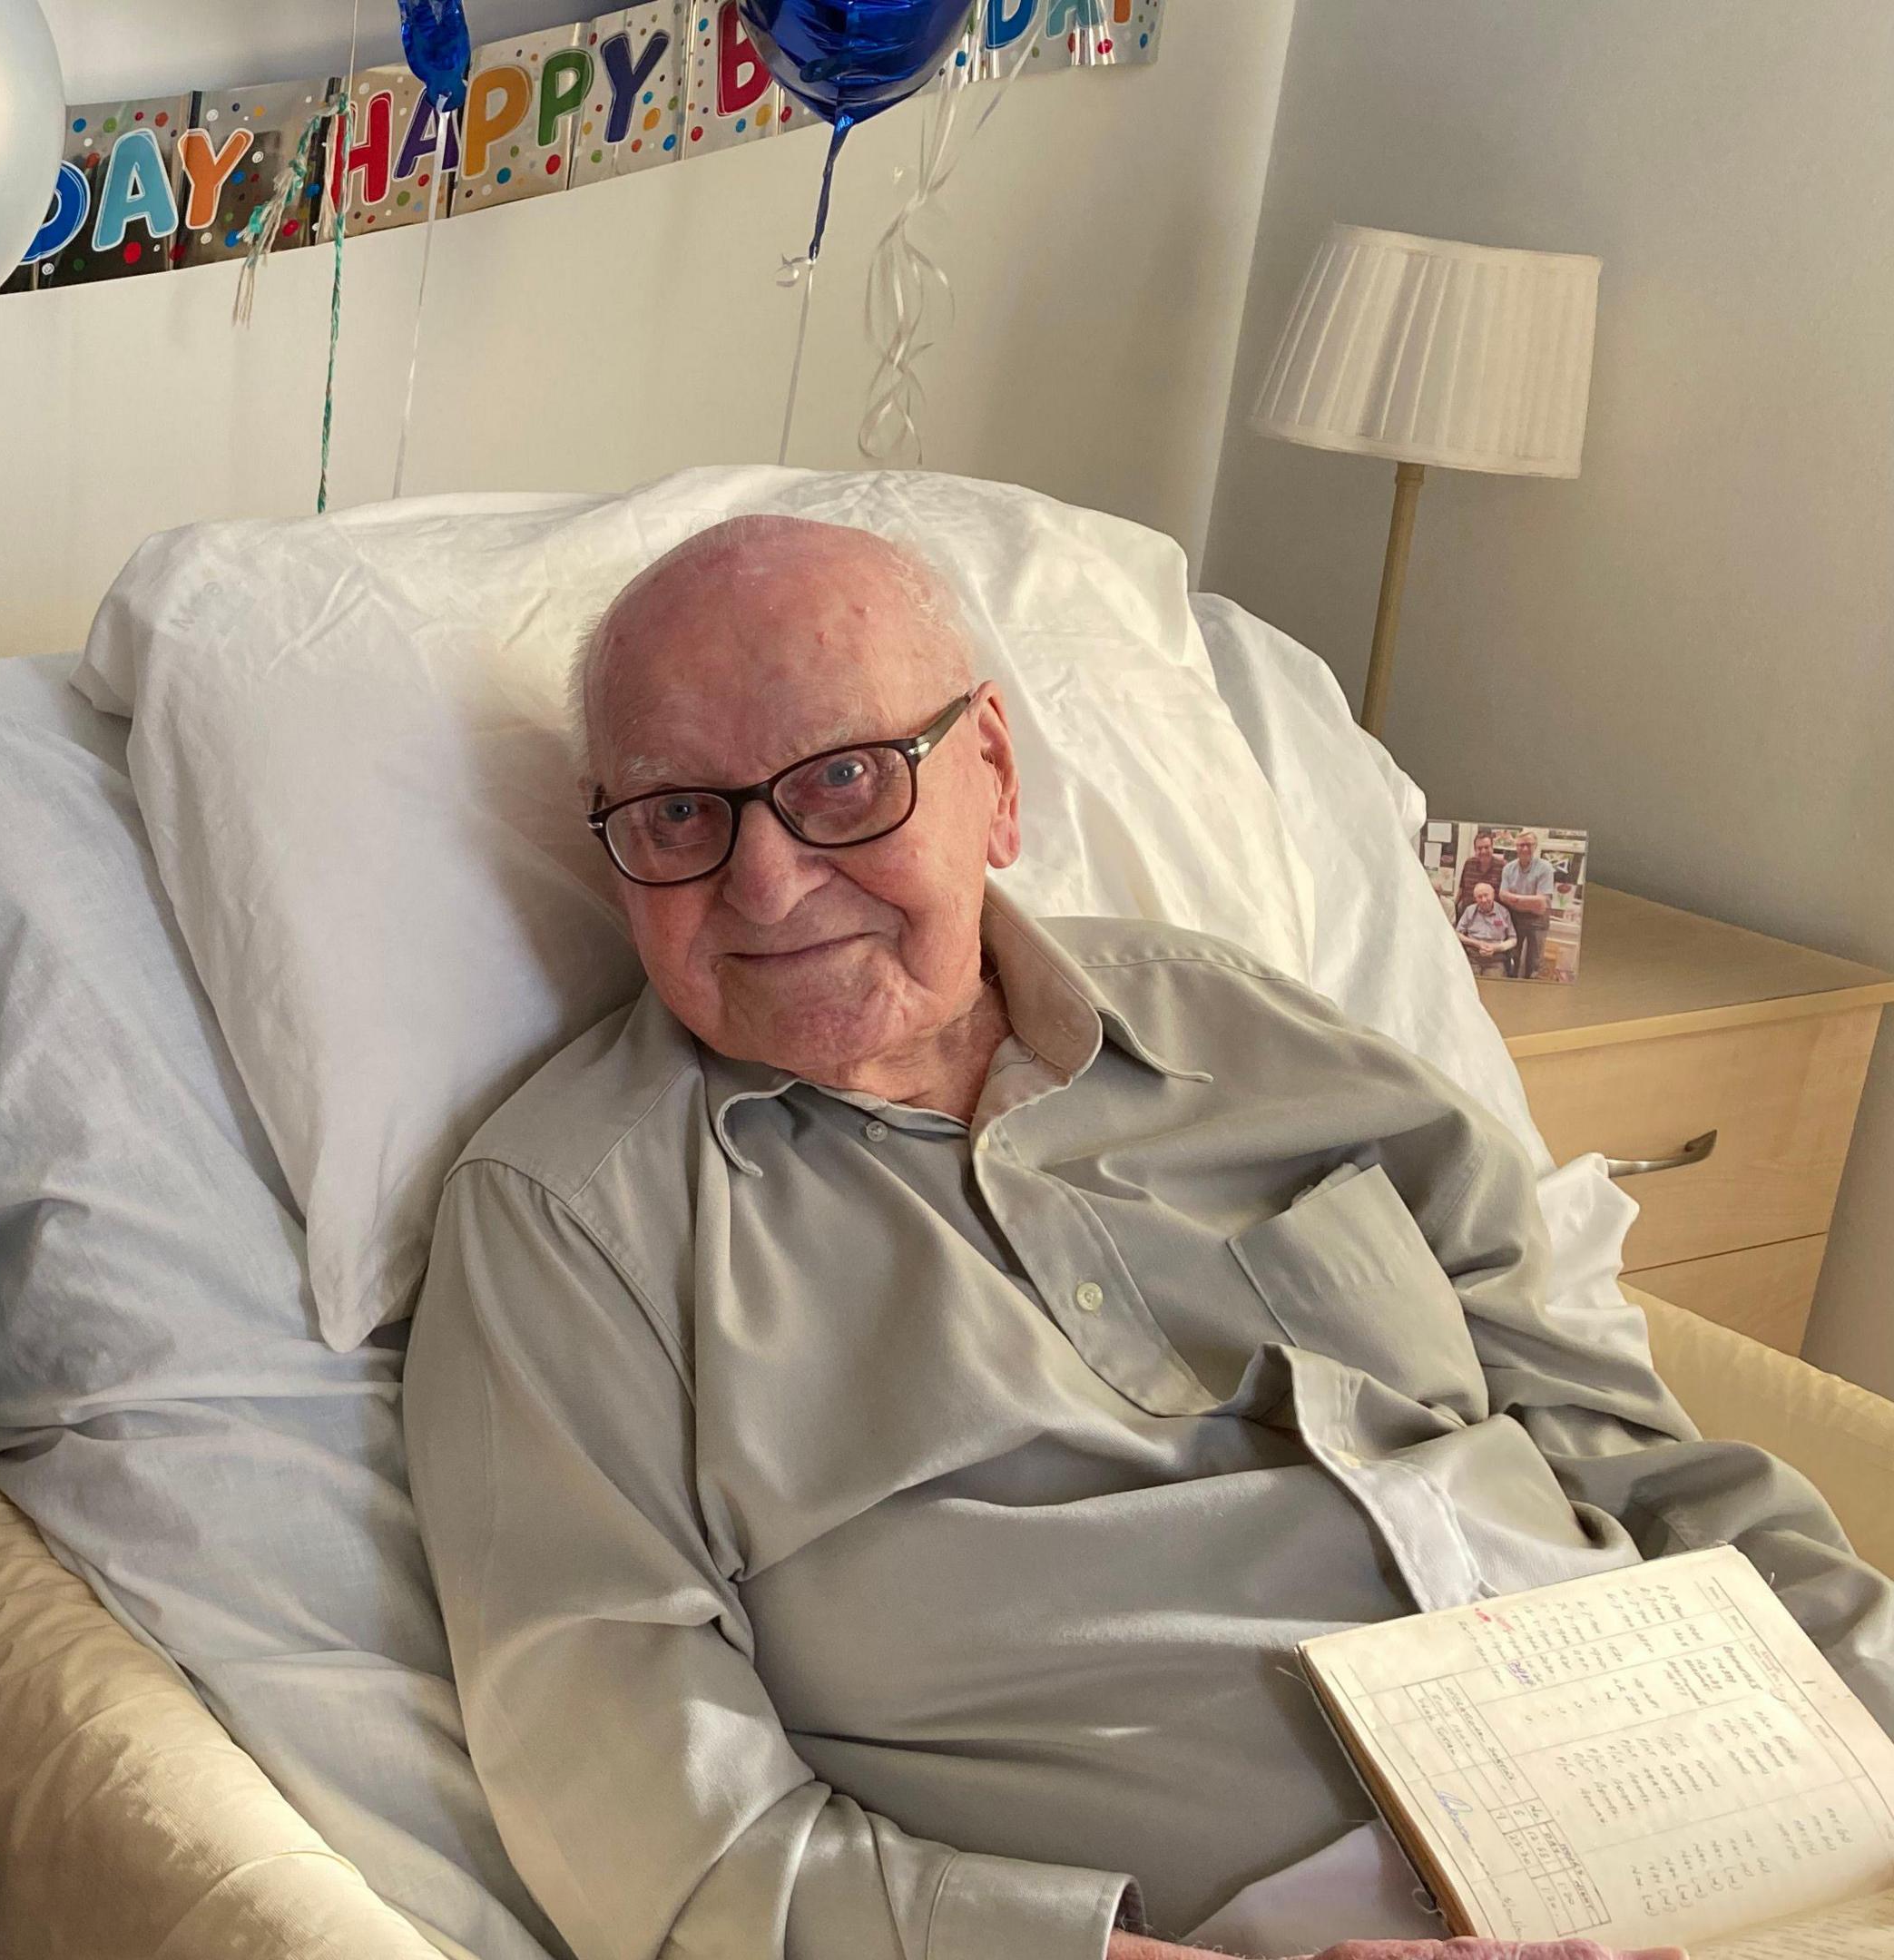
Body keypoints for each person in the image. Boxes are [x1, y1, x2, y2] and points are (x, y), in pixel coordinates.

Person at [402, 515, 1891, 1960]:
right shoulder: (569, 1223)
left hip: (1720, 1806)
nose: (769, 883)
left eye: (847, 781)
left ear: (991, 775)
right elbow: (675, 1844)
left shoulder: (1243, 1022)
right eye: (678, 816)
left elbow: (1628, 1449)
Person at [1498, 832, 1562, 979]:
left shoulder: (1545, 868)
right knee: (1512, 958)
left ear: (1535, 846)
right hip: (1515, 918)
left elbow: (1541, 905)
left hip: (1538, 919)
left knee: (1534, 963)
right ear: (1516, 847)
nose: (1525, 848)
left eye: (1529, 845)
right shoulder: (1508, 868)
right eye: (1521, 845)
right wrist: (1530, 902)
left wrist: (1514, 899)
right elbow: (1502, 895)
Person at [1457, 877, 1518, 973]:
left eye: (1486, 895)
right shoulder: (1469, 911)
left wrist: (1495, 948)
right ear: (1475, 898)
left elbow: (1513, 939)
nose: (1484, 900)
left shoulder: (1503, 912)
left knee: (1494, 985)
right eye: (1479, 897)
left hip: (1496, 960)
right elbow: (1458, 934)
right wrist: (1477, 944)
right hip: (1473, 958)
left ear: (1493, 895)